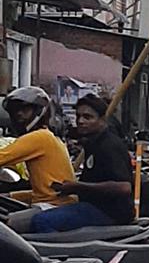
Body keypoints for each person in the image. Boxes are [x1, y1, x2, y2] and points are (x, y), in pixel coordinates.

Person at [29, 94, 133, 233]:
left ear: (102, 120)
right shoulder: (93, 142)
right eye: (78, 116)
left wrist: (78, 186)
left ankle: (59, 254)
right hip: (93, 206)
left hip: (108, 212)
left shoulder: (109, 145)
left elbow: (124, 187)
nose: (81, 121)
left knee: (41, 221)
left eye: (87, 117)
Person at [0, 87, 77, 232]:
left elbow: (2, 156)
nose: (19, 115)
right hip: (53, 204)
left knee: (5, 230)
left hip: (51, 208)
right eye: (16, 111)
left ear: (38, 111)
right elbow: (45, 191)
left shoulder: (39, 137)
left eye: (25, 109)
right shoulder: (49, 136)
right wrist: (9, 196)